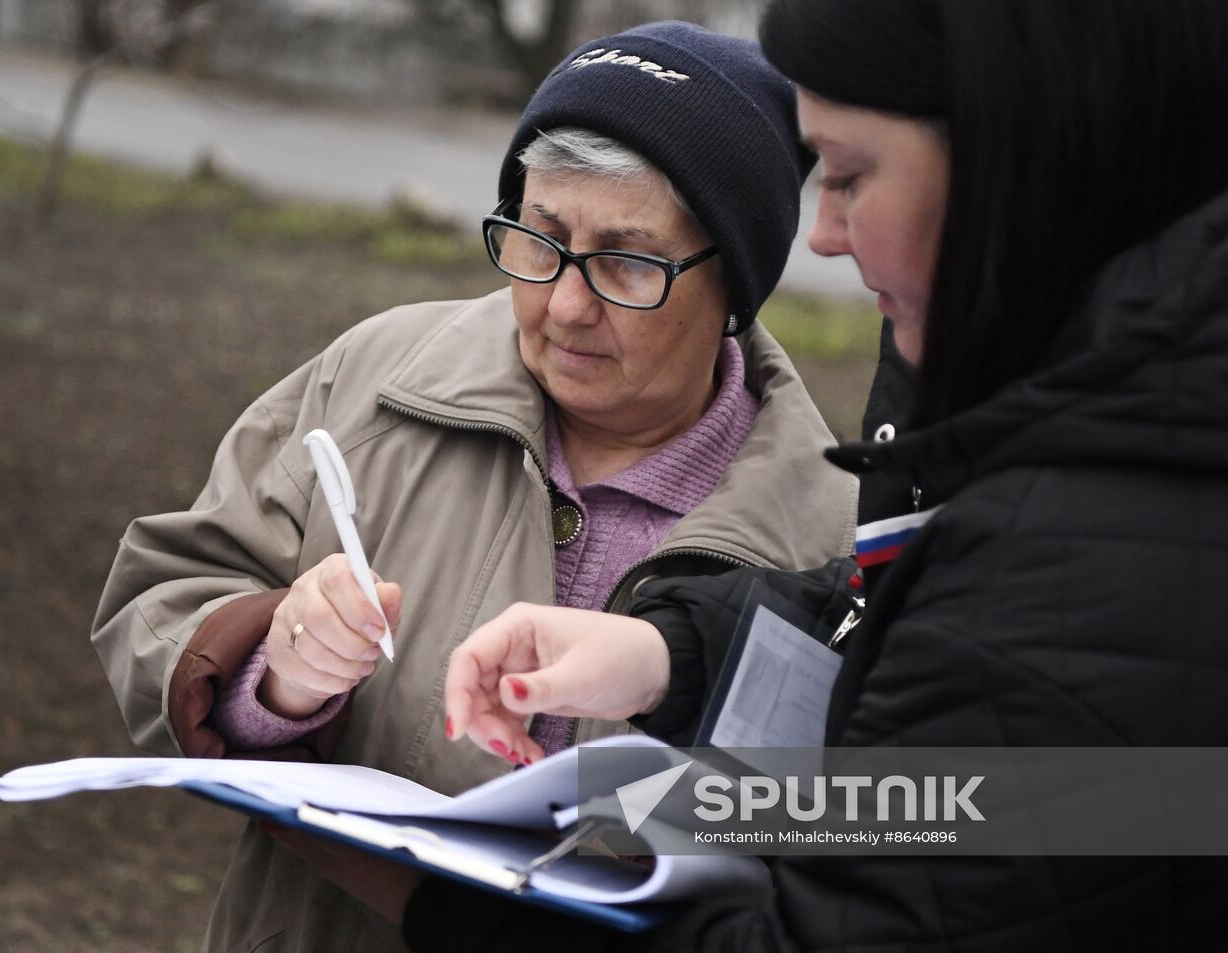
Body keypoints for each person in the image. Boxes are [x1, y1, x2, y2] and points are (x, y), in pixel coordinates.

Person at [276, 1, 1228, 949]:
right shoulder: (1043, 403)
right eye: (539, 238)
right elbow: (974, 796)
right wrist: (673, 656)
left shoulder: (1085, 533)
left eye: (850, 174)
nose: (825, 236)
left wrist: (436, 899)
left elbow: (937, 829)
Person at [90, 20, 857, 953]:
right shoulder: (375, 377)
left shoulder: (834, 533)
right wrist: (273, 669)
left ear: (733, 280)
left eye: (626, 261)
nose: (564, 303)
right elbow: (160, 597)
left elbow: (859, 848)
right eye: (540, 240)